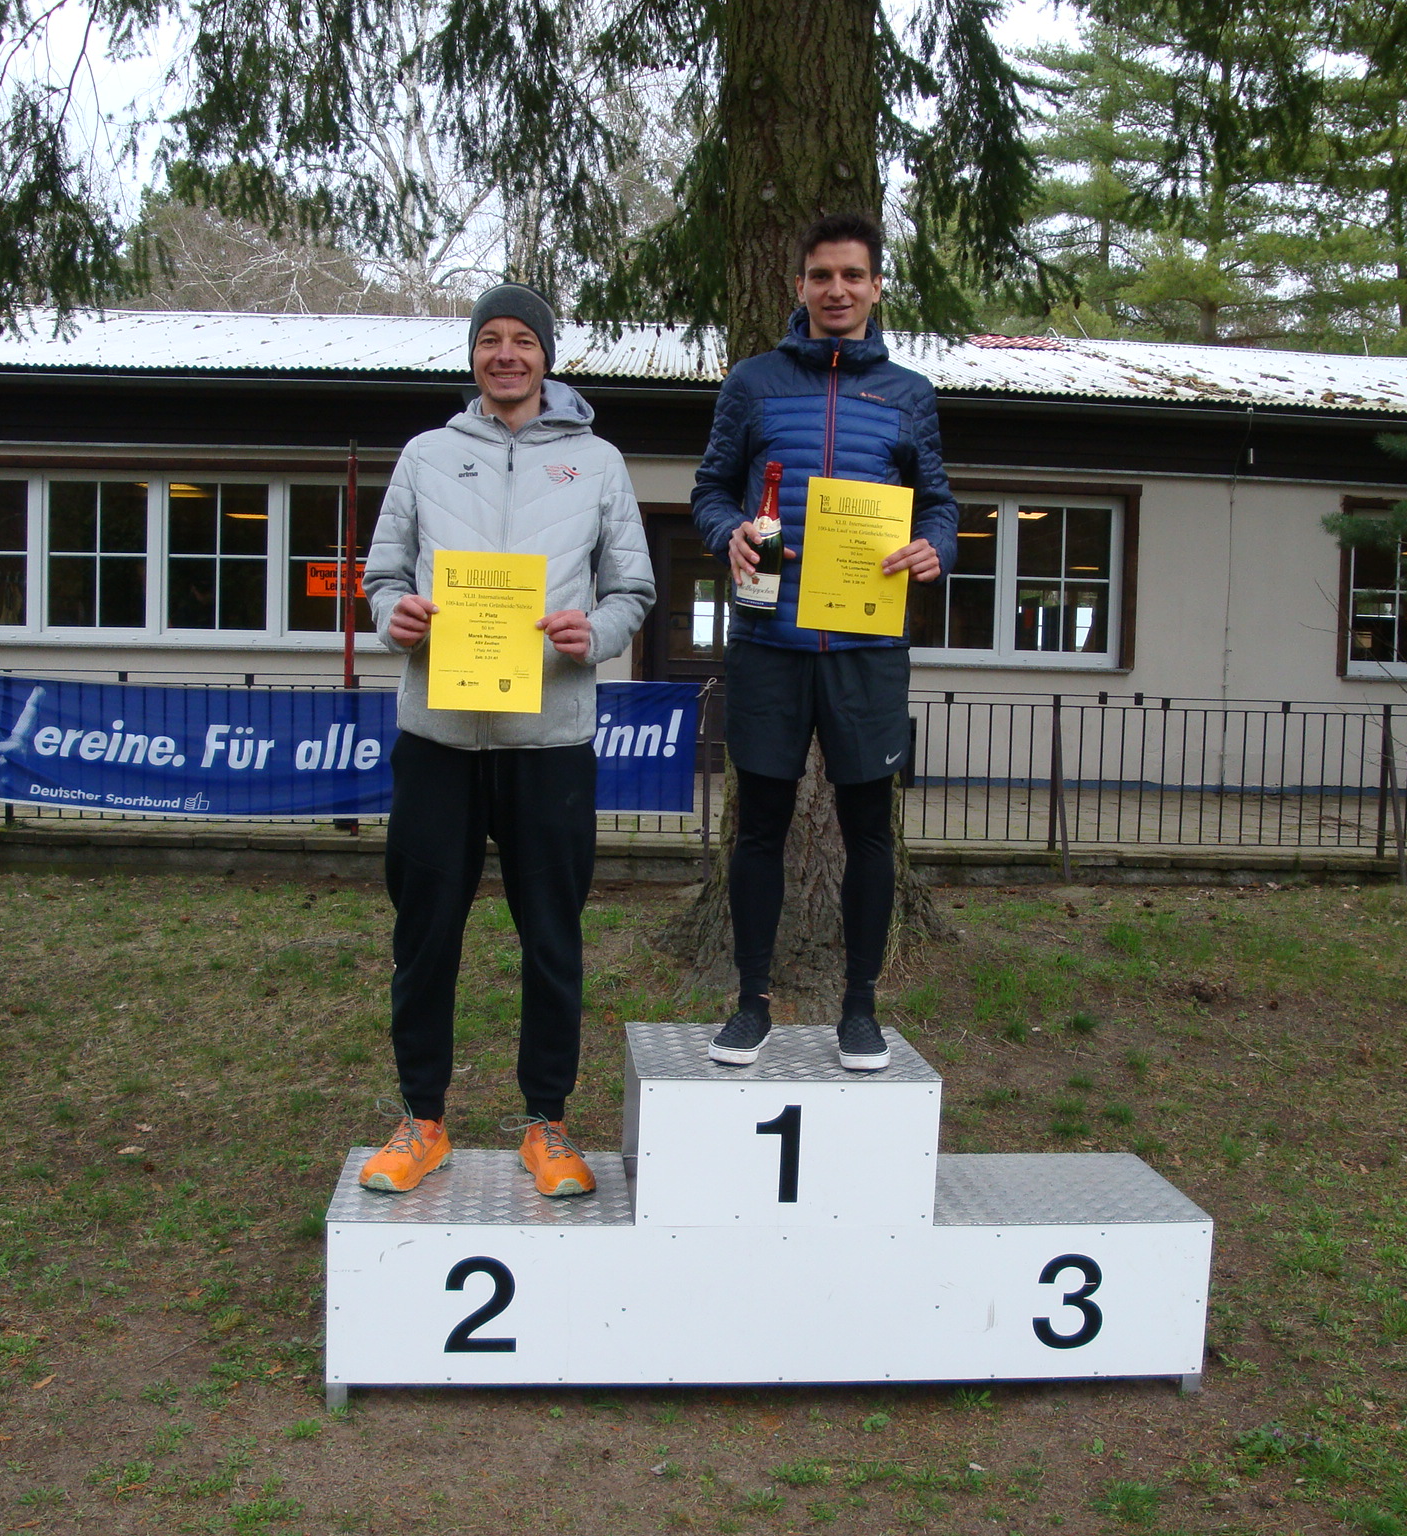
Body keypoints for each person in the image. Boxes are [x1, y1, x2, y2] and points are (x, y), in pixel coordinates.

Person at [357, 283, 654, 1197]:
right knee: (425, 938)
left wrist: (594, 633)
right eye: (491, 339)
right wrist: (394, 616)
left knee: (552, 940)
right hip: (437, 740)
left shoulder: (597, 462)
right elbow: (381, 576)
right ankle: (423, 1120)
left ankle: (547, 1124)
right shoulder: (427, 454)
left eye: (524, 339)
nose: (507, 355)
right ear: (474, 356)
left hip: (548, 741)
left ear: (547, 356)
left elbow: (632, 591)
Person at [691, 212, 957, 1073]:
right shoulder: (753, 384)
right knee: (759, 829)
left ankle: (860, 1011)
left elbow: (940, 505)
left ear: (876, 287)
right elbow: (709, 490)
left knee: (868, 831)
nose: (836, 290)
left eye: (851, 276)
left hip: (866, 649)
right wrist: (729, 531)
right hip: (768, 640)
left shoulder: (910, 394)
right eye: (820, 276)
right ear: (799, 285)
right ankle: (751, 1005)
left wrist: (936, 548)